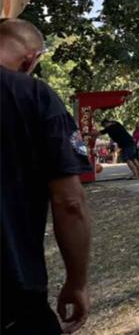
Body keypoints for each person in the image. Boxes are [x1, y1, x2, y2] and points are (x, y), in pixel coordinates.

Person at [0, 18, 92, 334]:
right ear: (32, 58)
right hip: (13, 295)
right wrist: (76, 282)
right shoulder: (34, 96)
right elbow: (69, 201)